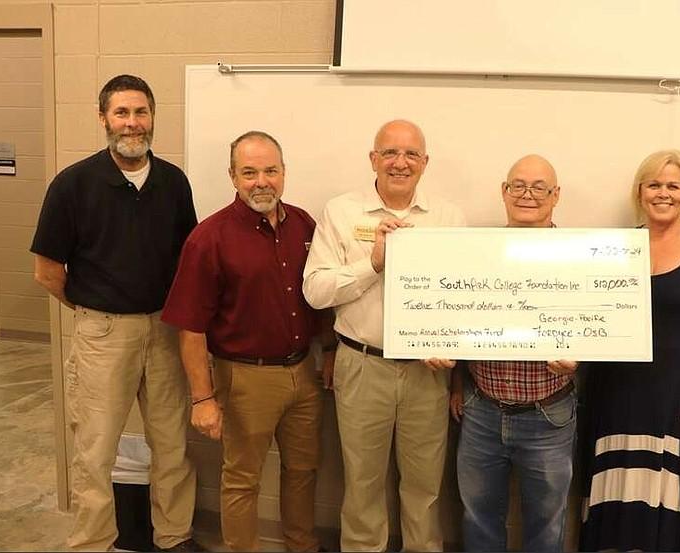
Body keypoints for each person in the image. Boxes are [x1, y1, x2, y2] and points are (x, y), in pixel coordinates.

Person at [30, 74, 200, 551]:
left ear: (152, 118)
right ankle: (92, 542)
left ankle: (173, 536)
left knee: (172, 446)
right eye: (121, 113)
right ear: (103, 117)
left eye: (140, 112)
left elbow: (186, 261)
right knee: (95, 450)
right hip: (102, 334)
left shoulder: (173, 182)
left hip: (166, 330)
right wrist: (95, 308)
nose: (132, 123)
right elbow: (47, 272)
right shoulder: (73, 185)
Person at [162, 131, 332, 552]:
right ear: (233, 177)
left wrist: (327, 351)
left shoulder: (305, 225)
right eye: (250, 172)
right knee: (242, 479)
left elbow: (320, 297)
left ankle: (301, 545)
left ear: (284, 173)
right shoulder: (209, 238)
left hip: (303, 373)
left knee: (303, 470)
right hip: (244, 380)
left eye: (270, 170)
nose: (262, 181)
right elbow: (190, 327)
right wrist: (202, 399)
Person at [303, 120, 465, 552]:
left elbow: (461, 298)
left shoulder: (449, 217)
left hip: (426, 374)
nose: (400, 163)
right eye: (390, 153)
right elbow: (315, 291)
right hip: (362, 366)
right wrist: (373, 263)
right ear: (372, 159)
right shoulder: (341, 212)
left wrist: (447, 348)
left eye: (411, 154)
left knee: (425, 489)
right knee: (361, 485)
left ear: (425, 163)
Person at [579, 150, 680, 552]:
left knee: (677, 512)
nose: (663, 193)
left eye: (673, 185)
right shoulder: (617, 247)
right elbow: (593, 317)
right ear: (640, 191)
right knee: (619, 518)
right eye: (654, 184)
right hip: (619, 401)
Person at [449, 155, 578, 552]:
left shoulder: (582, 257)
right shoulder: (474, 252)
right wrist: (454, 379)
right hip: (480, 410)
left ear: (556, 196)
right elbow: (455, 315)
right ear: (503, 193)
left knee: (546, 526)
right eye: (518, 185)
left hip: (548, 416)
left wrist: (581, 357)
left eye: (540, 187)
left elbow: (607, 324)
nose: (527, 195)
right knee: (478, 519)